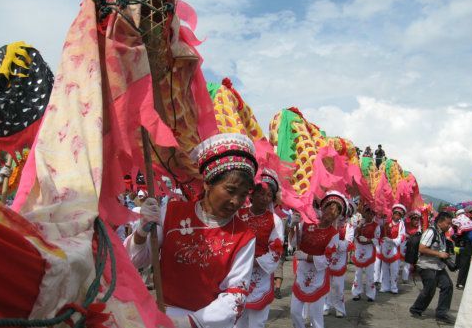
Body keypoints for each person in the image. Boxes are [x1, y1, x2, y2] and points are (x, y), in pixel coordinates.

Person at [124, 133, 258, 328]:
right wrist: (141, 232)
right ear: (208, 183)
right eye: (230, 190)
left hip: (208, 323)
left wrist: (189, 323)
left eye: (243, 195)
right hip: (165, 316)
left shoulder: (243, 236)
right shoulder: (172, 212)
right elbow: (135, 261)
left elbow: (236, 295)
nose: (236, 201)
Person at [235, 169, 284, 328]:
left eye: (269, 195)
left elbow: (276, 251)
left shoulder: (275, 220)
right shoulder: (238, 214)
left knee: (257, 322)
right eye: (261, 193)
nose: (264, 198)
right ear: (252, 194)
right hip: (238, 273)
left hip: (260, 274)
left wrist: (253, 263)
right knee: (237, 319)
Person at [290, 191, 344, 328]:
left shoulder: (334, 234)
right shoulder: (307, 223)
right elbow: (294, 242)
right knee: (295, 312)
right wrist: (292, 225)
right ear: (323, 208)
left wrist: (307, 257)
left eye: (336, 212)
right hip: (302, 273)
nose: (332, 213)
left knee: (316, 317)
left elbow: (328, 260)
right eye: (330, 208)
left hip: (318, 277)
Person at [409, 211, 455, 324]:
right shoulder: (430, 232)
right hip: (426, 265)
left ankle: (441, 313)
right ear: (440, 222)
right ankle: (416, 309)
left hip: (438, 266)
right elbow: (422, 248)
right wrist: (439, 254)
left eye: (450, 224)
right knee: (430, 288)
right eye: (447, 223)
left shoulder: (442, 234)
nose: (449, 226)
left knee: (447, 286)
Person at [323, 199, 355, 318]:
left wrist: (335, 244)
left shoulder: (349, 226)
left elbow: (347, 243)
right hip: (327, 258)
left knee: (338, 285)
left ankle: (339, 307)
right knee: (326, 283)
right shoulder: (328, 224)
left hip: (340, 259)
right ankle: (326, 305)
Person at [351, 204, 381, 302]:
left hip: (369, 251)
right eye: (367, 213)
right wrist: (359, 226)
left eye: (370, 213)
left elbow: (377, 240)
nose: (368, 215)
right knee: (358, 273)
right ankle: (356, 293)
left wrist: (367, 240)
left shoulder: (376, 226)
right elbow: (353, 234)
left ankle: (370, 294)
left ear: (373, 215)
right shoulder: (360, 223)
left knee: (369, 275)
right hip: (359, 250)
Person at [378, 204, 406, 294]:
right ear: (393, 214)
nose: (397, 216)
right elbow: (381, 231)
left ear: (401, 216)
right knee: (384, 268)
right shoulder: (387, 222)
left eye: (399, 214)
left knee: (394, 270)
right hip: (386, 247)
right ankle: (384, 286)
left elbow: (402, 237)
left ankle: (394, 287)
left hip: (394, 248)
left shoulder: (401, 225)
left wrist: (392, 240)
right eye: (395, 214)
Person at [455, 208, 472, 290]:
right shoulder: (469, 224)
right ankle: (460, 283)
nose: (468, 215)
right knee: (464, 265)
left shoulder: (469, 223)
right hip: (467, 246)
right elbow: (471, 237)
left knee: (466, 265)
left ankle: (462, 282)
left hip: (466, 246)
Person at [400, 210, 422, 283]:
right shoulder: (405, 226)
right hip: (403, 246)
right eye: (415, 220)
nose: (417, 221)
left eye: (418, 220)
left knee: (408, 262)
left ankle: (405, 278)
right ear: (411, 220)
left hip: (413, 249)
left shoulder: (419, 230)